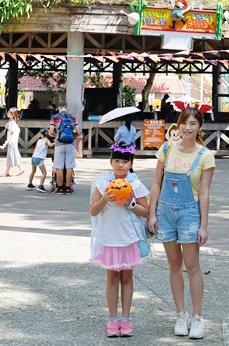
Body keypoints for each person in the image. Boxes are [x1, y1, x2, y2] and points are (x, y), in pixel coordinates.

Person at [147, 107, 216, 339]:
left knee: (192, 266)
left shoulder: (205, 155)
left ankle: (197, 317)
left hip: (190, 214)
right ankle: (180, 314)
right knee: (174, 266)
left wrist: (204, 225)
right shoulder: (166, 149)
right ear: (178, 125)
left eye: (193, 123)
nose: (188, 127)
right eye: (184, 123)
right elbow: (156, 183)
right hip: (165, 212)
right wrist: (152, 214)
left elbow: (204, 193)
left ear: (200, 127)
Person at [89, 141, 151, 338]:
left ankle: (126, 318)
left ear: (131, 163)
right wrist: (104, 199)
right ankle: (113, 319)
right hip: (109, 239)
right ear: (111, 162)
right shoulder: (103, 183)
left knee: (127, 278)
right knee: (112, 278)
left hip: (129, 239)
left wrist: (130, 203)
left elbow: (145, 211)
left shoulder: (136, 184)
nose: (121, 165)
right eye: (117, 161)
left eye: (125, 161)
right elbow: (93, 210)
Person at [50, 100, 81, 194]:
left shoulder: (55, 117)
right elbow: (78, 131)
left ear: (58, 107)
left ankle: (59, 188)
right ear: (66, 107)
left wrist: (56, 135)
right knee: (69, 167)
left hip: (59, 144)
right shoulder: (72, 117)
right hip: (70, 144)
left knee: (59, 167)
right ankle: (68, 188)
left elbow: (51, 132)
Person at [3, 107, 24, 177]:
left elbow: (11, 133)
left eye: (9, 112)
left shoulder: (13, 123)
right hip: (13, 142)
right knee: (12, 155)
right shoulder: (12, 121)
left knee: (12, 155)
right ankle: (7, 171)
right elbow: (6, 127)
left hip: (12, 142)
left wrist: (6, 141)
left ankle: (20, 169)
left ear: (12, 114)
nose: (7, 113)